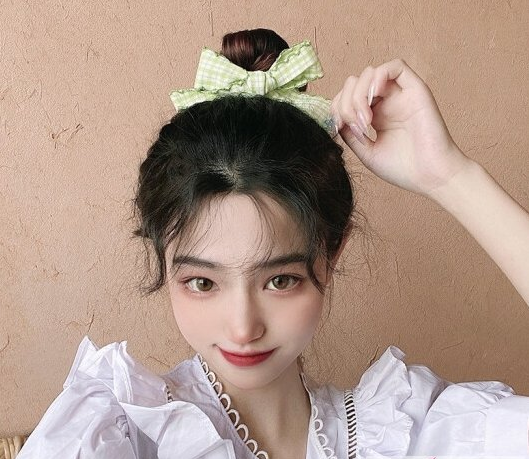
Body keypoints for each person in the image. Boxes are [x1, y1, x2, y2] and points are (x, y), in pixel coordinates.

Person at [17, 28, 529, 459]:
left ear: (332, 252)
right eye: (202, 282)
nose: (244, 328)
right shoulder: (116, 437)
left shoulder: (404, 430)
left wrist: (450, 177)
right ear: (163, 261)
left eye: (280, 280)